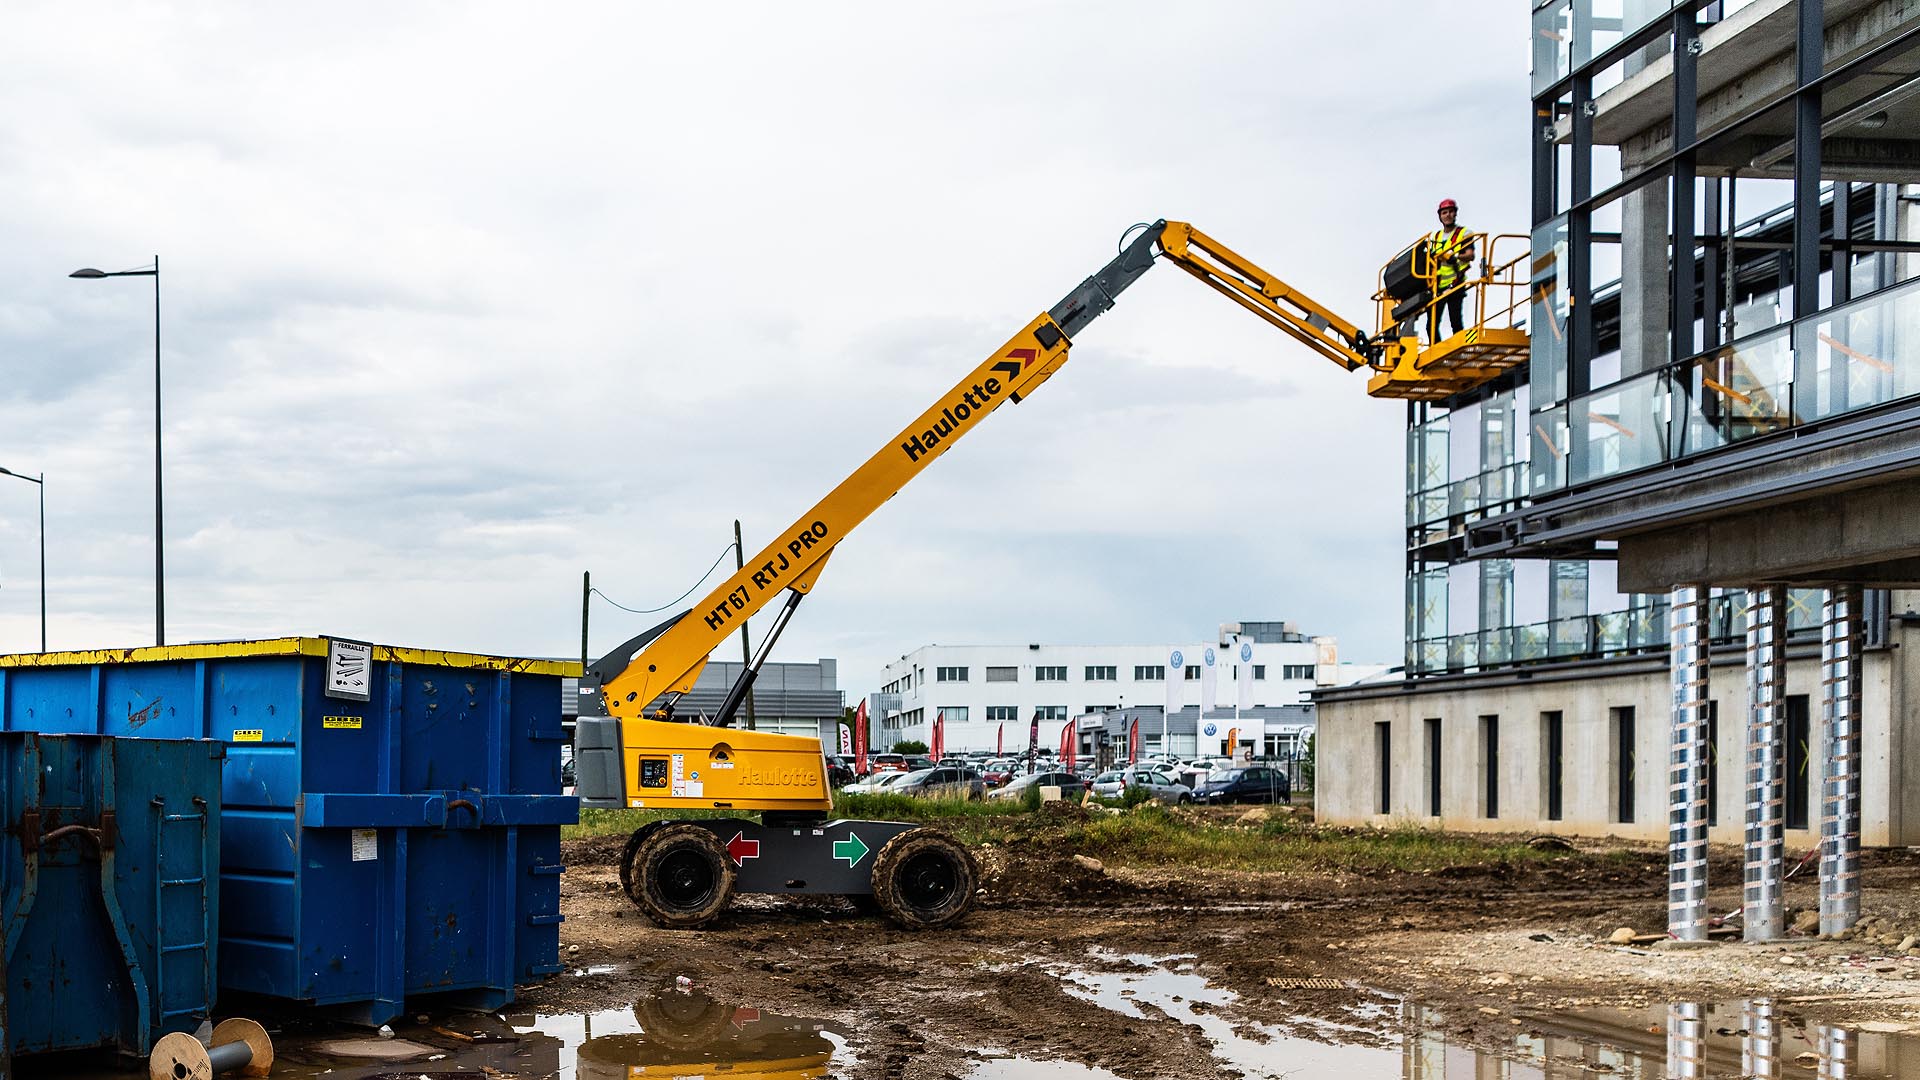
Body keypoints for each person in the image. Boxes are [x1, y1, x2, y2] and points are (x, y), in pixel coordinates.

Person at [1428, 198, 1475, 342]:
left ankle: (1459, 347)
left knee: (1455, 321)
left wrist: (1453, 256)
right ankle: (1437, 350)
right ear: (1440, 216)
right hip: (1438, 285)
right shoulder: (1435, 236)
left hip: (1456, 283)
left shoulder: (1464, 233)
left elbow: (1470, 255)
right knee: (1431, 325)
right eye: (1444, 212)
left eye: (1450, 212)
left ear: (1455, 214)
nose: (1447, 215)